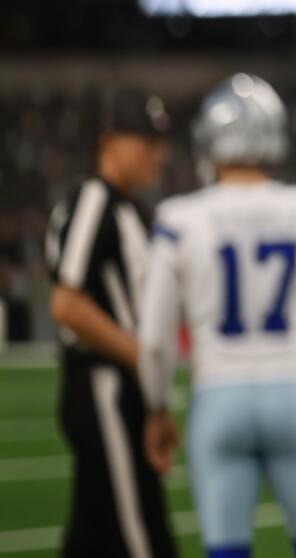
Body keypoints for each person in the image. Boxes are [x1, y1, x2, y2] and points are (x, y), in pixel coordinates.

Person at [137, 74, 296, 558]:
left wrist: (156, 407)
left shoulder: (178, 219)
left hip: (218, 394)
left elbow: (154, 339)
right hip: (294, 387)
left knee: (226, 551)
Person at [44, 91, 178, 558]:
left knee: (92, 536)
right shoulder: (94, 199)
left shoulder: (128, 210)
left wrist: (155, 399)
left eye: (159, 141)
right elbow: (66, 304)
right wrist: (142, 360)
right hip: (103, 386)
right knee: (140, 533)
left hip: (122, 388)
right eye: (144, 140)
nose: (156, 152)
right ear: (109, 141)